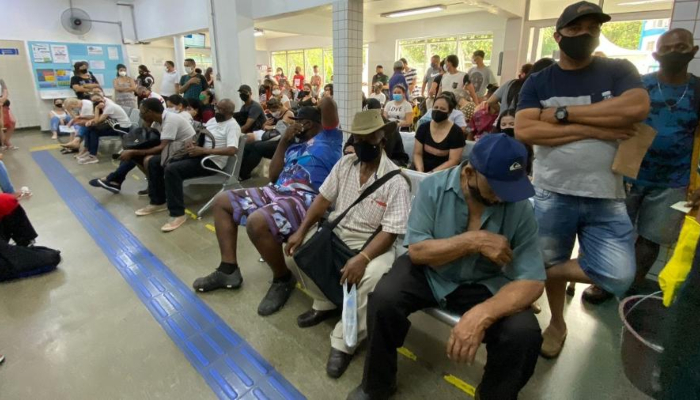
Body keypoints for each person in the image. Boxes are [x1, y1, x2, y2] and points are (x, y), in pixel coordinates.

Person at [347, 133, 545, 400]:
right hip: (431, 271)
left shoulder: (518, 207)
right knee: (384, 299)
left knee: (525, 333)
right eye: (496, 187)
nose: (502, 197)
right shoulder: (434, 187)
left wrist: (483, 314)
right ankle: (377, 385)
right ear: (470, 172)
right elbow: (417, 251)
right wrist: (473, 241)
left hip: (485, 282)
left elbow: (532, 279)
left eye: (511, 188)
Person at [515, 1, 650, 359]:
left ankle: (540, 272)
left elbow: (636, 109)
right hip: (551, 191)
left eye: (592, 28)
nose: (585, 34)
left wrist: (560, 115)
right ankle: (557, 323)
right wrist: (598, 127)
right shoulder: (540, 80)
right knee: (550, 256)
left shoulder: (618, 70)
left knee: (620, 274)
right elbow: (525, 128)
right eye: (576, 29)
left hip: (606, 195)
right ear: (558, 36)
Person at [285, 110, 410, 379]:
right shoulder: (345, 165)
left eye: (370, 138)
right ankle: (325, 302)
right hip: (339, 230)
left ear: (382, 139)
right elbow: (322, 200)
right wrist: (301, 230)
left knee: (372, 277)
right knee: (296, 251)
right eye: (359, 138)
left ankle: (344, 341)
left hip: (374, 243)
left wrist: (363, 258)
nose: (363, 144)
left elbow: (389, 233)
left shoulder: (397, 181)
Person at [192, 100, 342, 318]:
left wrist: (315, 99)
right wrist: (283, 141)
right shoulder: (294, 146)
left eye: (298, 122)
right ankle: (228, 269)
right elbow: (272, 176)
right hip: (277, 190)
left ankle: (282, 278)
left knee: (257, 221)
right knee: (222, 201)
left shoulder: (329, 140)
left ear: (308, 124)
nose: (293, 125)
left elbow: (329, 105)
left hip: (306, 198)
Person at [583, 28, 700, 304]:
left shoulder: (698, 90)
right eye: (668, 48)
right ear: (656, 54)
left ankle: (630, 288)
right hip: (629, 173)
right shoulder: (639, 86)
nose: (675, 52)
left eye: (682, 47)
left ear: (694, 52)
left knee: (651, 238)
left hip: (675, 179)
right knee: (612, 230)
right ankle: (603, 282)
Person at [132, 99, 240, 232]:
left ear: (230, 112)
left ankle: (178, 214)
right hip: (200, 154)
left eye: (221, 110)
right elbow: (202, 136)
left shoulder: (232, 126)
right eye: (216, 108)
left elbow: (232, 150)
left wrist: (204, 151)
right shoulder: (212, 121)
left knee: (172, 169)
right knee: (155, 161)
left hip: (212, 162)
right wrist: (193, 144)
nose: (217, 111)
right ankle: (158, 201)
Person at [238, 98, 295, 181]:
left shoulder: (289, 114)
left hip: (281, 141)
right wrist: (265, 124)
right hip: (271, 137)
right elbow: (265, 126)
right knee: (248, 146)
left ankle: (244, 174)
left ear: (280, 106)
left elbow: (280, 128)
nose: (273, 113)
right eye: (272, 111)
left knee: (257, 147)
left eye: (274, 110)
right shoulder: (276, 114)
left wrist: (269, 127)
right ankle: (240, 171)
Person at [345, 99, 409, 167]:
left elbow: (402, 159)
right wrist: (350, 149)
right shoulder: (362, 127)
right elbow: (348, 145)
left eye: (372, 138)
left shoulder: (390, 131)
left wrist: (385, 165)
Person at [485, 58, 556, 117]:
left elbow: (491, 101)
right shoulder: (537, 89)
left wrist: (503, 111)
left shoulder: (510, 83)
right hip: (522, 128)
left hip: (502, 125)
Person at [413, 95, 466, 173]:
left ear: (449, 112)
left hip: (443, 173)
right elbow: (417, 153)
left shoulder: (456, 132)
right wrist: (420, 171)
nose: (438, 110)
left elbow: (453, 161)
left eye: (443, 109)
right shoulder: (423, 128)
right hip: (421, 170)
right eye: (436, 107)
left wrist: (431, 173)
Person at [78, 94, 132, 165]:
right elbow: (98, 118)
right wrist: (91, 121)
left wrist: (96, 109)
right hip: (114, 124)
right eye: (94, 101)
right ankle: (89, 150)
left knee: (94, 131)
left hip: (122, 128)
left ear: (102, 98)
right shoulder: (105, 103)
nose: (97, 101)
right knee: (90, 128)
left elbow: (98, 121)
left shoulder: (109, 106)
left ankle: (93, 156)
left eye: (98, 99)